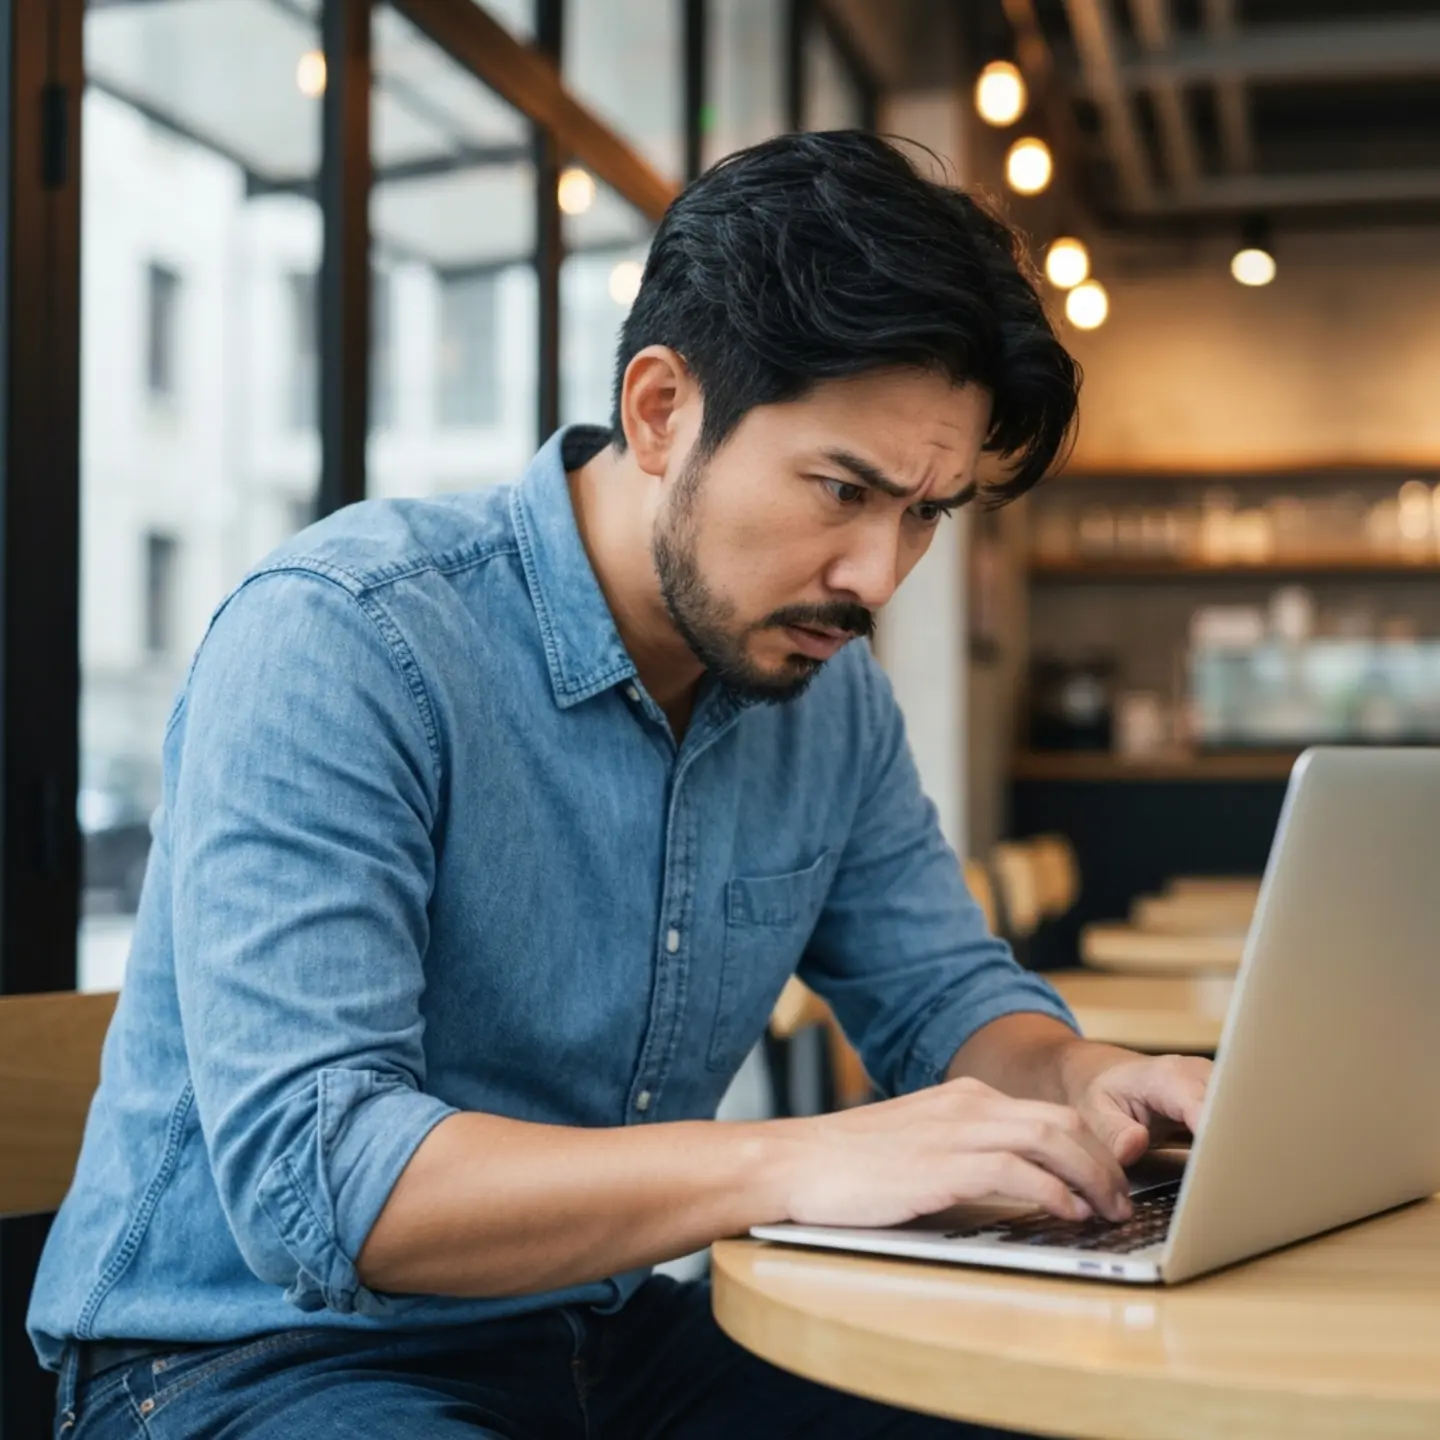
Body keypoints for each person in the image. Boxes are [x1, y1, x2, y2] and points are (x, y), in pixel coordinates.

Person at [31, 131, 1209, 1438]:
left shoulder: (826, 694)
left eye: (925, 513)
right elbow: (326, 1182)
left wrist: (1087, 1079)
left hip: (602, 1341)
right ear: (661, 411)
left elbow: (944, 1000)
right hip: (250, 1361)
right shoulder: (346, 634)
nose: (879, 576)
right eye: (843, 489)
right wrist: (808, 1159)